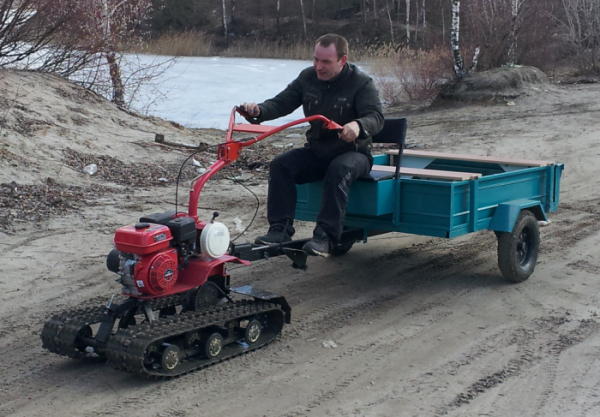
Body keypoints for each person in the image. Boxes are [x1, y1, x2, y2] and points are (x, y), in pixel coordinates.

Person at [243, 33, 384, 257]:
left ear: (342, 60)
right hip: (318, 151)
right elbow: (281, 103)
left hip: (354, 153)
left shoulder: (361, 83)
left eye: (325, 61)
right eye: (316, 59)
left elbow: (376, 117)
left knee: (339, 168)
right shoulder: (307, 78)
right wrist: (258, 111)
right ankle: (280, 230)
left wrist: (357, 125)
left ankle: (325, 237)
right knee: (282, 165)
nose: (318, 66)